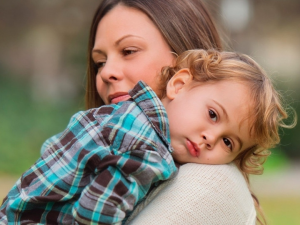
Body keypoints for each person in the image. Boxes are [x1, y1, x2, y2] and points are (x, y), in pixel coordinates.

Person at [0, 49, 292, 225]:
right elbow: (96, 214)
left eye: (228, 142)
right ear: (179, 84)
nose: (209, 138)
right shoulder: (145, 146)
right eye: (213, 115)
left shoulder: (128, 113)